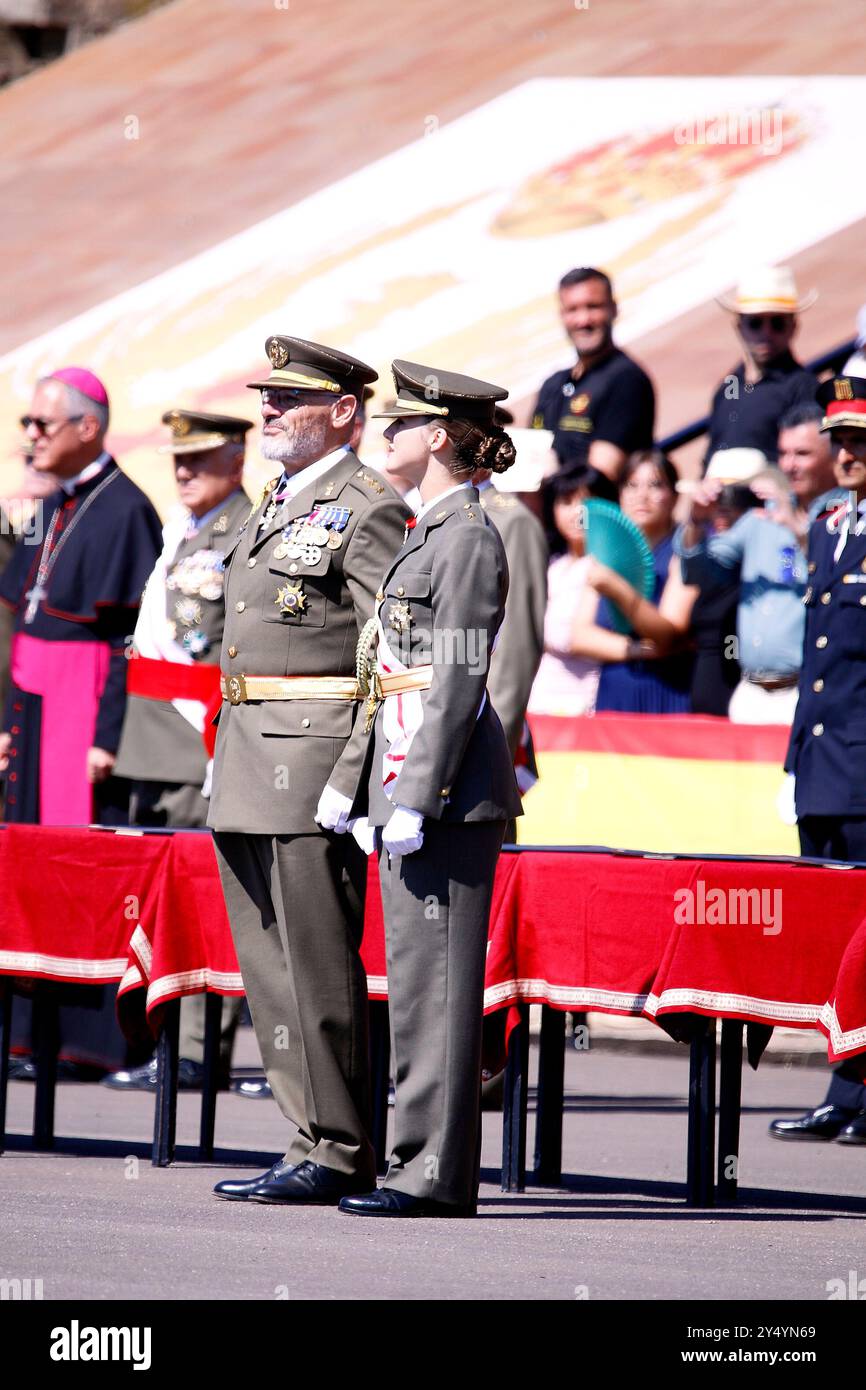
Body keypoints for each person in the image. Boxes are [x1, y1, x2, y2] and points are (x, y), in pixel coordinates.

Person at [209, 336, 410, 1205]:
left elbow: (391, 652)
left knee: (318, 969)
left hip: (311, 761)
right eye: (266, 397)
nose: (268, 411)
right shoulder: (280, 497)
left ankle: (338, 1145)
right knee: (270, 969)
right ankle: (306, 1135)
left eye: (288, 399)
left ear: (343, 413)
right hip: (249, 753)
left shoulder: (367, 505)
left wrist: (356, 774)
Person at [322, 359, 522, 1218]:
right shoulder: (426, 531)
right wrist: (350, 782)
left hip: (443, 792)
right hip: (407, 774)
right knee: (411, 981)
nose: (387, 435)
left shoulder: (469, 537)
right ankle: (413, 1161)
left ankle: (433, 1174)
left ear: (439, 436)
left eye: (400, 424)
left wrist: (416, 796)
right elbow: (390, 671)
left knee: (437, 990)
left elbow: (460, 681)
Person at [0, 366, 162, 1079]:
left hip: (82, 706)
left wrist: (107, 734)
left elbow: (132, 641)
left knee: (75, 867)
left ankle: (84, 1040)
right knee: (25, 867)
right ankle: (26, 1033)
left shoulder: (125, 508)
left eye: (41, 424)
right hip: (35, 705)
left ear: (86, 427)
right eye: (26, 425)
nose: (29, 436)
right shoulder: (55, 501)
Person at [104, 409, 255, 1094]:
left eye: (199, 459)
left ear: (235, 460)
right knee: (161, 905)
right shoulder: (183, 532)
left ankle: (197, 1051)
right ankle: (163, 1042)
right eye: (178, 460)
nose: (184, 471)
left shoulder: (243, 531)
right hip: (153, 741)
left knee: (201, 904)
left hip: (198, 743)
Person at [770, 376, 866, 1144]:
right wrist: (793, 759)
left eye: (860, 440)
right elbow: (818, 656)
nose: (847, 454)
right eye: (841, 440)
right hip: (823, 763)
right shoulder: (828, 524)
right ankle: (846, 1089)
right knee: (836, 939)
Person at [676, 405, 842, 724]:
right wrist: (696, 520)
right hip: (750, 693)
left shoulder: (848, 515)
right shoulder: (759, 519)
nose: (789, 465)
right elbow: (697, 573)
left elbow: (837, 579)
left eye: (802, 453)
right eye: (783, 453)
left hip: (808, 692)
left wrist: (796, 528)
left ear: (832, 453)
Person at [570, 450, 697, 713]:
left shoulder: (683, 550)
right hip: (615, 691)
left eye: (655, 485)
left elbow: (667, 635)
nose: (642, 495)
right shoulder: (606, 550)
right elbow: (579, 636)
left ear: (674, 496)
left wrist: (618, 589)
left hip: (667, 691)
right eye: (631, 485)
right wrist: (636, 650)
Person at [531, 267, 655, 479]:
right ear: (562, 315)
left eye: (593, 307)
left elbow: (599, 480)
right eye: (572, 310)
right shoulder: (553, 385)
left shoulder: (625, 380)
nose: (583, 320)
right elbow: (525, 458)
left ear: (613, 309)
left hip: (593, 511)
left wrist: (548, 478)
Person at [676, 450, 766, 717]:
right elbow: (694, 572)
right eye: (717, 497)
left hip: (755, 695)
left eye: (735, 497)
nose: (722, 508)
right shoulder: (705, 548)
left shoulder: (779, 549)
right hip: (708, 691)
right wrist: (696, 520)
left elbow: (789, 576)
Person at [705, 266, 819, 464]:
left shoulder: (804, 388)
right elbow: (710, 459)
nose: (766, 333)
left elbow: (811, 461)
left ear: (793, 327)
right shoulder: (728, 388)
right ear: (739, 327)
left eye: (777, 323)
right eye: (755, 323)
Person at [528, 464, 616, 717]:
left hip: (584, 705)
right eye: (566, 501)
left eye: (588, 501)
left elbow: (563, 634)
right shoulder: (552, 564)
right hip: (538, 701)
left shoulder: (611, 566)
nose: (578, 512)